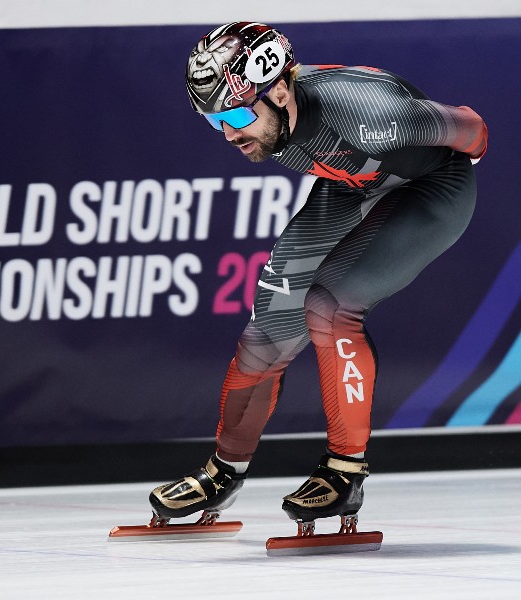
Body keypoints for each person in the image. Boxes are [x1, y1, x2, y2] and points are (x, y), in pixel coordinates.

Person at [149, 22, 487, 528]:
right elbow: (327, 159)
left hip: (432, 188)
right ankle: (225, 470)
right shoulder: (272, 117)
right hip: (352, 184)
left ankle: (345, 472)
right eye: (212, 120)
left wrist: (462, 152)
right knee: (270, 320)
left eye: (237, 115)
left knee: (329, 306)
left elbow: (473, 129)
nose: (228, 133)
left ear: (281, 89)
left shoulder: (376, 115)